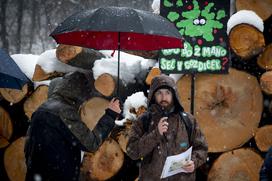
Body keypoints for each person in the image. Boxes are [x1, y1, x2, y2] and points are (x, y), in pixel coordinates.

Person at [24, 71, 121, 181]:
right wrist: (110, 114)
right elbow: (91, 143)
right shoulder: (65, 112)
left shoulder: (42, 108)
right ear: (79, 93)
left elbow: (27, 147)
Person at [126, 74, 208, 180]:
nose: (164, 97)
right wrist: (156, 134)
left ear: (174, 95)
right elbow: (132, 151)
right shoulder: (143, 121)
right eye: (159, 93)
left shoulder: (188, 120)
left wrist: (193, 161)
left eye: (167, 93)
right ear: (153, 95)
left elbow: (202, 148)